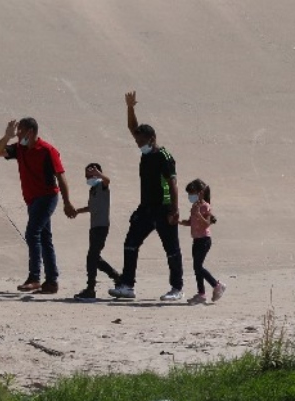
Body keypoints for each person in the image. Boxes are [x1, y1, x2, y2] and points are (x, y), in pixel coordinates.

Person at [108, 91, 184, 301]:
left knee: (171, 249)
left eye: (141, 142)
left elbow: (173, 184)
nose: (138, 145)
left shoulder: (164, 156)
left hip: (164, 208)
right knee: (130, 243)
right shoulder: (146, 152)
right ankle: (127, 286)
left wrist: (174, 210)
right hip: (145, 208)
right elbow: (133, 128)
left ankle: (177, 288)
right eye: (137, 142)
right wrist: (130, 108)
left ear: (152, 139)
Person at [0, 117, 77, 294]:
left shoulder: (47, 150)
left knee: (32, 233)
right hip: (32, 200)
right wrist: (7, 136)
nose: (17, 135)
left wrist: (67, 202)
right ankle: (52, 282)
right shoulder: (20, 148)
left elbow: (60, 176)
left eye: (20, 131)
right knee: (45, 239)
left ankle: (34, 278)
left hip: (47, 197)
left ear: (30, 132)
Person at [73, 163, 121, 301]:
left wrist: (98, 174)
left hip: (102, 226)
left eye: (90, 174)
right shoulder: (93, 189)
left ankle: (90, 289)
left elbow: (107, 181)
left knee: (92, 257)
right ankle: (117, 277)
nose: (87, 177)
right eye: (86, 175)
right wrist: (77, 211)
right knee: (95, 258)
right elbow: (91, 207)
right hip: (94, 226)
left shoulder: (102, 185)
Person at [179, 179, 226, 305]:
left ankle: (217, 285)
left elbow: (206, 224)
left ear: (200, 193)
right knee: (196, 267)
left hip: (204, 240)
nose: (190, 196)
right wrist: (179, 221)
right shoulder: (194, 206)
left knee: (198, 266)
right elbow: (191, 222)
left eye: (192, 193)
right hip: (196, 239)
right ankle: (201, 293)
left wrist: (199, 214)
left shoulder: (205, 206)